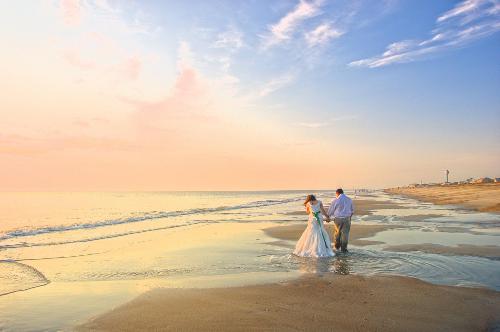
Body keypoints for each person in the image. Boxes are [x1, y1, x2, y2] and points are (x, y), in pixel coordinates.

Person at [327, 188, 354, 253]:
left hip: (338, 219)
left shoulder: (335, 200)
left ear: (337, 193)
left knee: (337, 233)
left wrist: (328, 217)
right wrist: (349, 218)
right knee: (345, 234)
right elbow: (352, 210)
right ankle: (344, 249)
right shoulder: (349, 199)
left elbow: (330, 211)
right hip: (347, 218)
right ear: (343, 192)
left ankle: (336, 247)